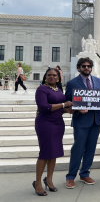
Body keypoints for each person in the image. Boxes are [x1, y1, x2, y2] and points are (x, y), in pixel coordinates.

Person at [65, 57, 100, 189]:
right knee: (77, 150)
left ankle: (84, 173)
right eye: (83, 66)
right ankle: (70, 176)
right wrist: (77, 109)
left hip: (95, 120)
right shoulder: (72, 83)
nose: (86, 68)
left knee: (91, 149)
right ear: (79, 68)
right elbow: (67, 104)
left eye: (89, 66)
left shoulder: (98, 81)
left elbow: (97, 99)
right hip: (81, 120)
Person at [33, 68, 73, 196]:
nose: (52, 77)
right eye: (49, 75)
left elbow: (59, 108)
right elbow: (44, 107)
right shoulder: (42, 89)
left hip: (58, 124)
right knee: (45, 153)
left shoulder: (59, 89)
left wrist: (67, 110)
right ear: (45, 77)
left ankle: (49, 180)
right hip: (45, 123)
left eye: (54, 75)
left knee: (53, 152)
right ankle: (38, 183)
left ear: (58, 77)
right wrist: (63, 105)